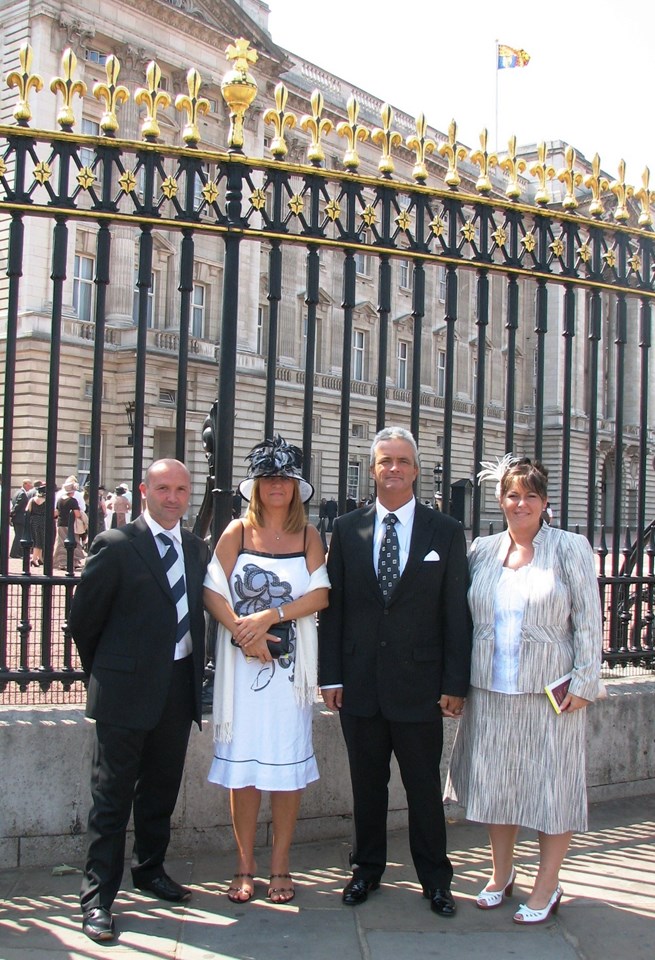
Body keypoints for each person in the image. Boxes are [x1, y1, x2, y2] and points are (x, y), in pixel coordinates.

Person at [319, 426, 471, 917]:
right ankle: (366, 869)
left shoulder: (444, 531)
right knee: (367, 785)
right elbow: (334, 610)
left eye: (403, 461)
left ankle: (435, 878)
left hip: (421, 686)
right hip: (360, 685)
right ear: (373, 468)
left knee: (424, 787)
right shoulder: (346, 529)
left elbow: (456, 614)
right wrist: (331, 676)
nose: (395, 469)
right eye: (386, 461)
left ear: (416, 470)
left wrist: (454, 684)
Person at [445, 456, 602, 925]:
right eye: (513, 495)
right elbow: (462, 618)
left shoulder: (569, 547)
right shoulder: (482, 551)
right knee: (498, 785)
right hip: (492, 688)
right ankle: (501, 873)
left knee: (553, 789)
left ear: (545, 501)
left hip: (552, 692)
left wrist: (586, 680)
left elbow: (589, 620)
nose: (521, 503)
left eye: (531, 495)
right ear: (501, 500)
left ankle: (547, 884)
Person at [68, 459, 210, 943]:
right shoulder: (116, 545)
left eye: (181, 489)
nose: (173, 497)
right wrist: (109, 674)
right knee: (110, 801)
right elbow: (83, 622)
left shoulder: (194, 547)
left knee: (160, 792)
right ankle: (97, 899)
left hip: (177, 688)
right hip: (124, 693)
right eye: (164, 488)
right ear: (145, 490)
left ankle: (149, 870)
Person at [204, 435, 329, 905]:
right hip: (243, 669)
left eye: (285, 478)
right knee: (244, 769)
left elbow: (321, 595)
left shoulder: (308, 536)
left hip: (290, 677)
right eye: (268, 478)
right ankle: (245, 866)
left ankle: (280, 866)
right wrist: (242, 631)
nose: (277, 485)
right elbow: (211, 589)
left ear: (297, 486)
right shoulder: (237, 532)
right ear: (255, 485)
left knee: (286, 766)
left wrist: (269, 618)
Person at [53, 481, 84, 570]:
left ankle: (62, 562)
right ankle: (74, 561)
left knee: (61, 543)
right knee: (73, 542)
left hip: (61, 523)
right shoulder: (73, 501)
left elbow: (57, 512)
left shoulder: (60, 500)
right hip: (71, 524)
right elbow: (77, 514)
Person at [9, 478, 33, 559]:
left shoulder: (18, 492)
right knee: (19, 536)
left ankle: (18, 552)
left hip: (18, 518)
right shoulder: (22, 494)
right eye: (29, 484)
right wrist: (12, 514)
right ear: (25, 484)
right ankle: (14, 553)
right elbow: (17, 506)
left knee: (19, 535)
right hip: (20, 518)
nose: (31, 486)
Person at [26, 482, 47, 567]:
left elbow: (28, 510)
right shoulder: (46, 501)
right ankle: (34, 559)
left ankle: (40, 558)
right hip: (43, 520)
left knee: (36, 538)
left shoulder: (32, 499)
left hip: (33, 520)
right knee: (40, 540)